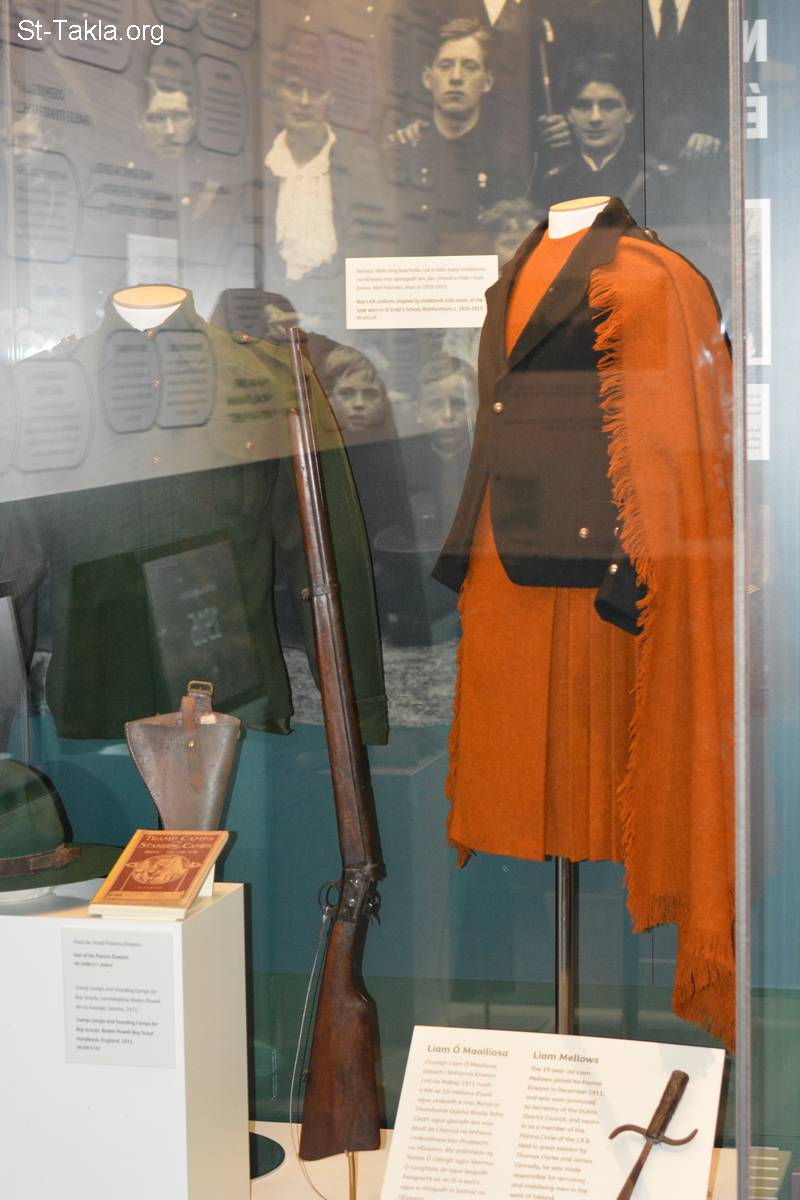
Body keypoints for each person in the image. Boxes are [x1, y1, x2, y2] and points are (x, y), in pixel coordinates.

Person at [389, 19, 524, 254]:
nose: (456, 77)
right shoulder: (402, 149)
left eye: (470, 66)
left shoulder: (506, 163)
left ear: (487, 81)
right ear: (427, 78)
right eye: (445, 65)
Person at [538, 55, 674, 226]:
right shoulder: (553, 183)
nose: (595, 118)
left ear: (630, 113)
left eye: (608, 106)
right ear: (569, 115)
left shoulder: (660, 181)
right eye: (583, 106)